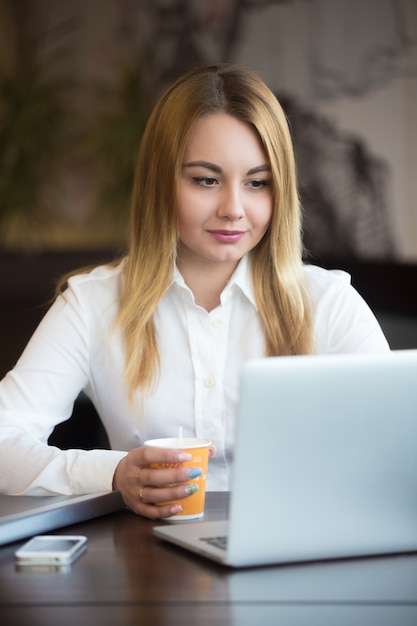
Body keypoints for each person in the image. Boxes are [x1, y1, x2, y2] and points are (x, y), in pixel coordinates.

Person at [0, 63, 389, 519]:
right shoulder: (92, 304)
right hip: (150, 566)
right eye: (206, 180)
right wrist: (115, 473)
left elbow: (399, 445)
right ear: (160, 182)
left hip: (299, 555)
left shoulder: (329, 303)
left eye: (257, 183)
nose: (233, 209)